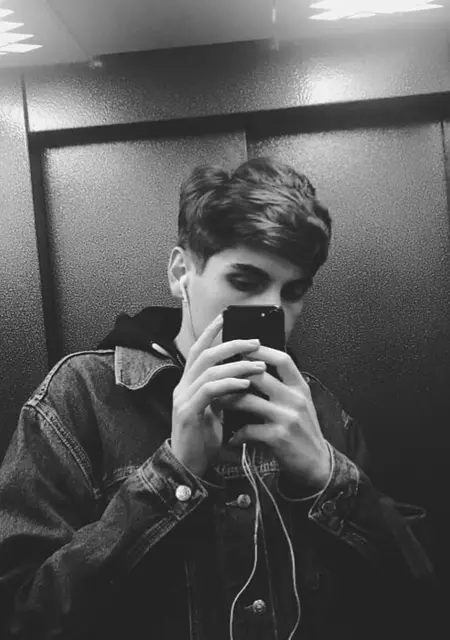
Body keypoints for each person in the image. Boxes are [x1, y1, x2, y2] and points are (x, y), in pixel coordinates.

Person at [0, 157, 436, 640]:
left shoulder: (316, 408)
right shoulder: (83, 398)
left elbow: (417, 595)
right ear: (180, 273)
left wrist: (327, 476)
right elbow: (21, 618)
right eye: (245, 282)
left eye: (293, 291)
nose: (272, 309)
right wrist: (173, 474)